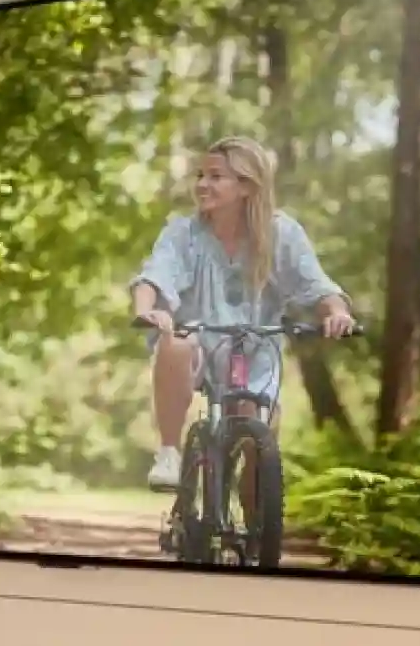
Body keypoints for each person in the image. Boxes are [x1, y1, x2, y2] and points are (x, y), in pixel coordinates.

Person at [128, 137, 357, 490]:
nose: (202, 184)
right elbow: (154, 277)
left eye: (216, 177)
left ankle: (258, 523)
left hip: (255, 354)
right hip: (198, 345)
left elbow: (317, 285)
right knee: (175, 343)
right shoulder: (184, 233)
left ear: (247, 186)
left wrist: (337, 312)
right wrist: (146, 310)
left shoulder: (281, 234)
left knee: (259, 444)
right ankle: (169, 452)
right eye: (201, 175)